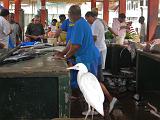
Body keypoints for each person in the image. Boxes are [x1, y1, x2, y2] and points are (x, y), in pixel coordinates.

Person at [54, 5, 102, 114]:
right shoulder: (79, 24)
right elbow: (71, 42)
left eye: (69, 14)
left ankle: (94, 109)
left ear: (72, 14)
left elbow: (76, 46)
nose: (68, 16)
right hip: (86, 57)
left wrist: (66, 56)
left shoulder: (80, 25)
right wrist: (62, 53)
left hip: (88, 58)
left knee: (89, 84)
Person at [85, 11, 118, 113]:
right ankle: (105, 100)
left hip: (96, 52)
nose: (87, 21)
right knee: (96, 79)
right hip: (98, 51)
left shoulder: (95, 24)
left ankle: (102, 102)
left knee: (95, 80)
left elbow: (93, 38)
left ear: (90, 16)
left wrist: (85, 46)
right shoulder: (99, 22)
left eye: (87, 19)